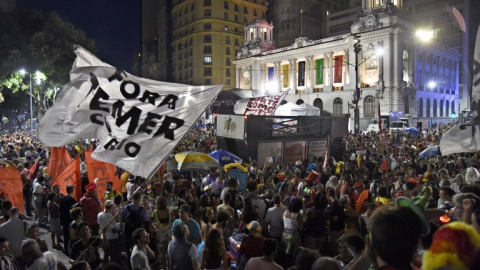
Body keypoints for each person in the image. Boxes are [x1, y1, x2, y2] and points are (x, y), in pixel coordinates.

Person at [121, 192, 147, 263]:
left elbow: (122, 220)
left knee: (128, 252)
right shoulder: (141, 209)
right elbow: (144, 220)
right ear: (139, 199)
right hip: (138, 233)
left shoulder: (126, 208)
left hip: (128, 232)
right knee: (139, 250)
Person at [152, 196, 174, 270]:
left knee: (162, 254)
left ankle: (164, 268)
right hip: (169, 235)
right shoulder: (169, 211)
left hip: (160, 236)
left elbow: (153, 222)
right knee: (169, 254)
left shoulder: (155, 213)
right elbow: (173, 220)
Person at [59, 185, 76, 252]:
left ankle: (66, 247)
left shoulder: (63, 197)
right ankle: (69, 248)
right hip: (69, 219)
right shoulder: (71, 199)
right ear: (72, 190)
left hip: (63, 218)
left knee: (66, 234)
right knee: (70, 234)